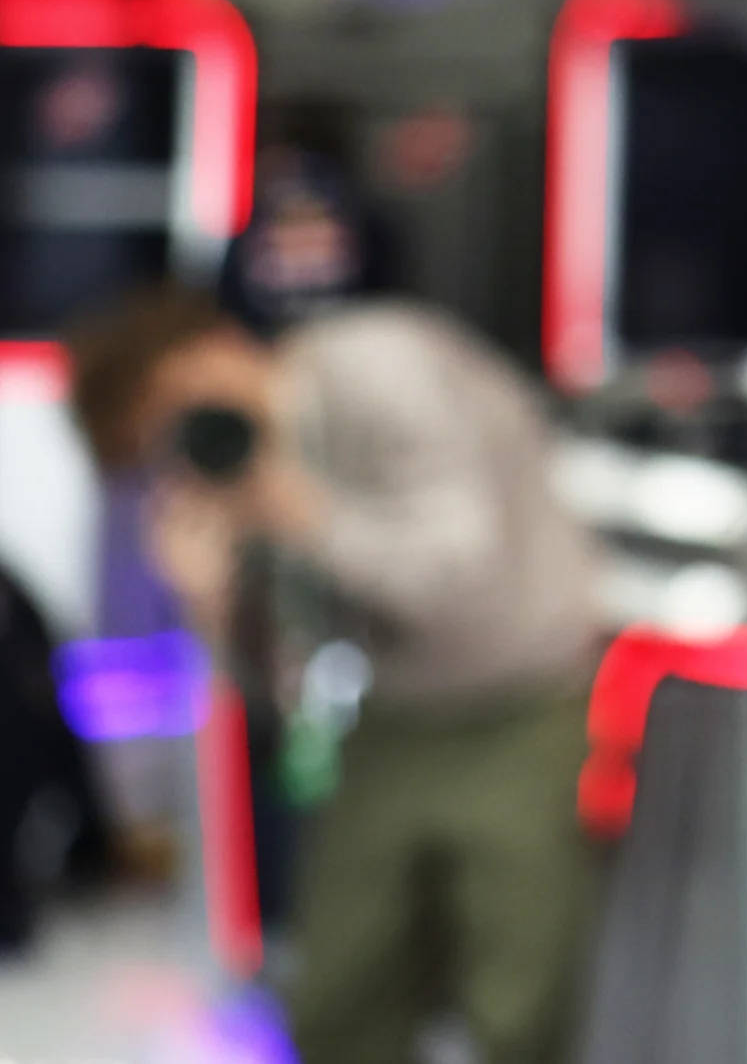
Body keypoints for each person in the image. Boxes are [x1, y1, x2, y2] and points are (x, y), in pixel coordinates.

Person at [66, 286, 601, 1064]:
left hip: (523, 704)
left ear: (210, 351)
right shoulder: (256, 469)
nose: (186, 448)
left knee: (519, 1006)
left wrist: (300, 511)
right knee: (340, 997)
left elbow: (458, 576)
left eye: (175, 419)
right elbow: (282, 690)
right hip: (390, 717)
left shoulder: (376, 367)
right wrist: (213, 603)